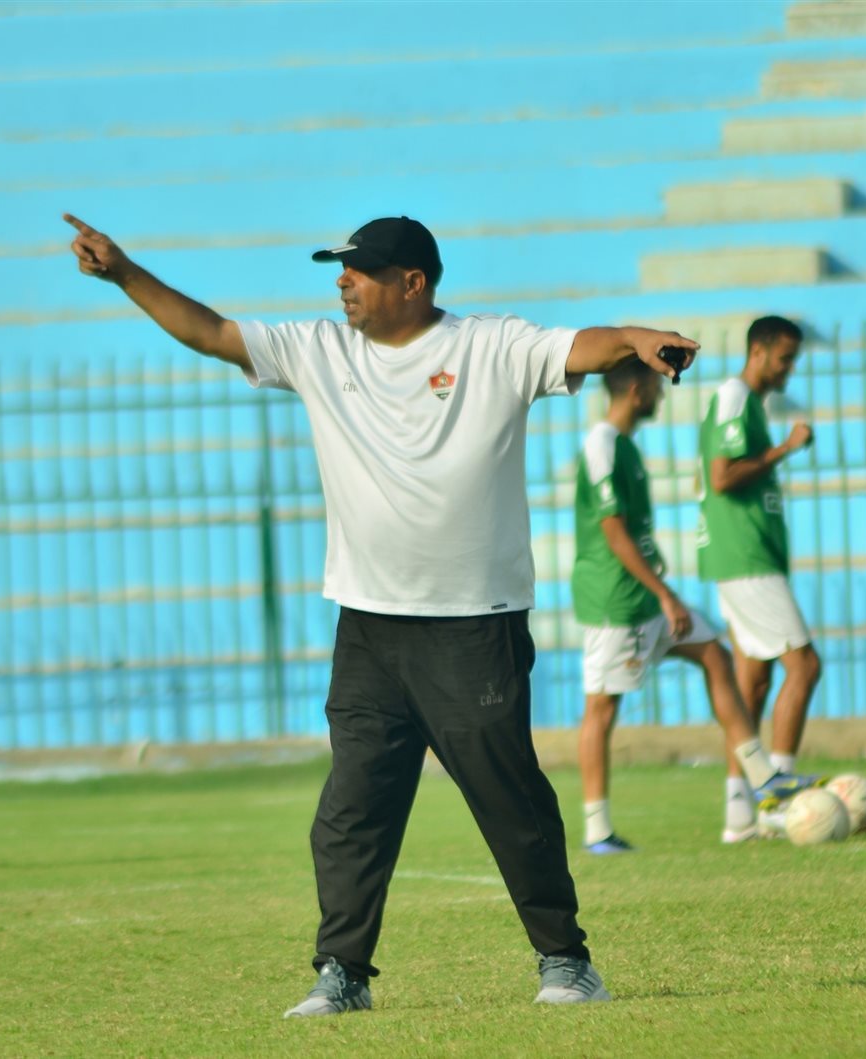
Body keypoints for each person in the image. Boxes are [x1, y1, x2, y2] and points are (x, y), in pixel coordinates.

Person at [64, 212, 701, 1015]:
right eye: (341, 269)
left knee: (511, 803)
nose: (342, 281)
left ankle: (567, 962)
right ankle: (343, 973)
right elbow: (212, 333)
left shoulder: (489, 345)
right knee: (352, 810)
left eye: (359, 270)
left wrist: (638, 339)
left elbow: (584, 346)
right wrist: (125, 272)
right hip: (367, 628)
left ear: (413, 282)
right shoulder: (320, 350)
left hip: (475, 625)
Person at [572, 359, 803, 853]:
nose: (661, 396)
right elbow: (613, 532)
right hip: (617, 603)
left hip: (646, 598)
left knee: (715, 655)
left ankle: (761, 775)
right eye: (657, 387)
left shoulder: (625, 446)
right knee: (601, 708)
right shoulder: (602, 446)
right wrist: (665, 593)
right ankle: (597, 830)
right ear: (637, 390)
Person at [695, 316, 823, 826]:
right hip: (744, 557)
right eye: (785, 358)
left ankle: (740, 814)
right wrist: (785, 449)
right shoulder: (734, 397)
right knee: (804, 666)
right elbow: (722, 477)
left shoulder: (748, 404)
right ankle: (781, 795)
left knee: (752, 683)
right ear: (758, 352)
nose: (790, 369)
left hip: (745, 557)